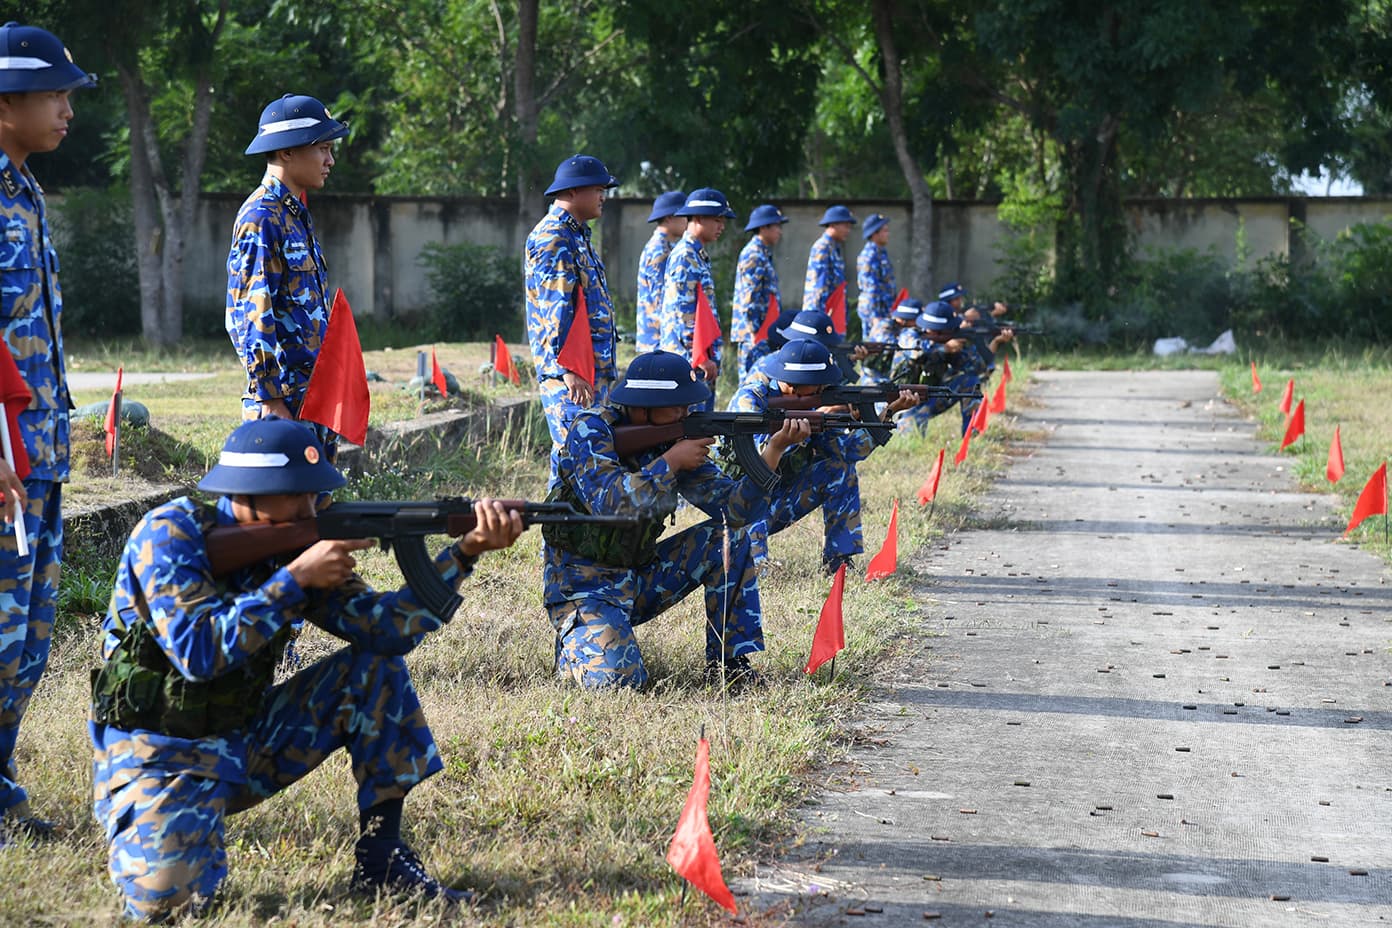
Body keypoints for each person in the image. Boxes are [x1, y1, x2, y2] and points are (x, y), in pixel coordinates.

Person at [88, 418, 524, 921]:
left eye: (317, 496)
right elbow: (197, 652)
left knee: (373, 668)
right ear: (247, 492)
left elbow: (387, 631)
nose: (312, 509)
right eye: (297, 496)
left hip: (243, 740)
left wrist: (465, 553)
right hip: (157, 754)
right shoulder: (170, 535)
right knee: (171, 904)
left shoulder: (298, 548)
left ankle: (382, 859)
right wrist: (294, 579)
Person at [543, 351, 808, 690]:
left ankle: (729, 666)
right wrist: (670, 463)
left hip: (638, 576)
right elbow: (609, 501)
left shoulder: (673, 440)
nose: (686, 413)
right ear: (643, 407)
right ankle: (576, 641)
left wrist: (773, 450)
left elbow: (736, 512)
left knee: (731, 537)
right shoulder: (592, 429)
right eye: (677, 405)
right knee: (619, 684)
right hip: (583, 588)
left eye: (688, 405)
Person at [0, 20, 96, 842]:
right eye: (55, 93)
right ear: (6, 101)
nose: (68, 108)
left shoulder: (24, 191)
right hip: (1, 460)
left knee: (27, 639)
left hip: (41, 455)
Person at [728, 339, 918, 576]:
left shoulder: (815, 406)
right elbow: (754, 468)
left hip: (779, 500)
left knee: (839, 470)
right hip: (738, 507)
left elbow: (848, 452)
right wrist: (785, 438)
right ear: (790, 383)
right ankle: (755, 568)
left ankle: (838, 561)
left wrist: (886, 413)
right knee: (752, 497)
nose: (823, 390)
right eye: (817, 386)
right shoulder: (751, 399)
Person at [226, 94, 350, 456]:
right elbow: (250, 316)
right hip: (284, 409)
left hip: (311, 401)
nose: (330, 160)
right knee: (285, 512)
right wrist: (270, 399)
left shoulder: (294, 215)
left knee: (317, 509)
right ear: (286, 152)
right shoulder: (261, 217)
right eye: (323, 148)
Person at [525, 154, 621, 480]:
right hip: (572, 375)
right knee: (574, 460)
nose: (603, 195)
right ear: (574, 191)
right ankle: (555, 530)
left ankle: (574, 531)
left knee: (587, 462)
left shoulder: (577, 234)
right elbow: (557, 307)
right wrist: (570, 370)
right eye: (598, 188)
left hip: (590, 371)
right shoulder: (555, 236)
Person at [659, 188, 736, 412]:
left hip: (696, 360)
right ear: (699, 218)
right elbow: (683, 312)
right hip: (688, 362)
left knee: (701, 431)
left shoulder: (696, 255)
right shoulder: (685, 256)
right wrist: (700, 355)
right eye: (717, 220)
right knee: (690, 431)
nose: (722, 226)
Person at [890, 302, 982, 433]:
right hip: (903, 402)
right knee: (910, 434)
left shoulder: (951, 341)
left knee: (970, 381)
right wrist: (945, 348)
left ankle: (971, 434)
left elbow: (977, 368)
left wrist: (965, 348)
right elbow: (916, 354)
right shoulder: (909, 335)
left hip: (932, 397)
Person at [730, 204, 789, 377]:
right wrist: (756, 334)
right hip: (755, 335)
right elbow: (749, 299)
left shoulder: (763, 253)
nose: (780, 231)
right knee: (752, 382)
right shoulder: (754, 255)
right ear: (764, 227)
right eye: (777, 226)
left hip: (763, 332)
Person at [634, 191, 686, 355]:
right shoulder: (659, 250)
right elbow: (662, 300)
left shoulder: (667, 247)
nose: (688, 222)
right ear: (669, 217)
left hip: (660, 339)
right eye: (685, 216)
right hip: (658, 341)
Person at [802, 204, 856, 315]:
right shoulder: (823, 248)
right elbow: (819, 286)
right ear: (833, 224)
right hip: (822, 313)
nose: (848, 230)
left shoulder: (834, 248)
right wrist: (820, 316)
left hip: (833, 311)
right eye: (845, 226)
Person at [856, 212, 896, 346]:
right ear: (874, 234)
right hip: (874, 311)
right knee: (872, 348)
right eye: (884, 231)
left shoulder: (881, 253)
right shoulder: (869, 256)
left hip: (884, 309)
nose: (888, 234)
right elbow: (870, 289)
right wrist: (874, 317)